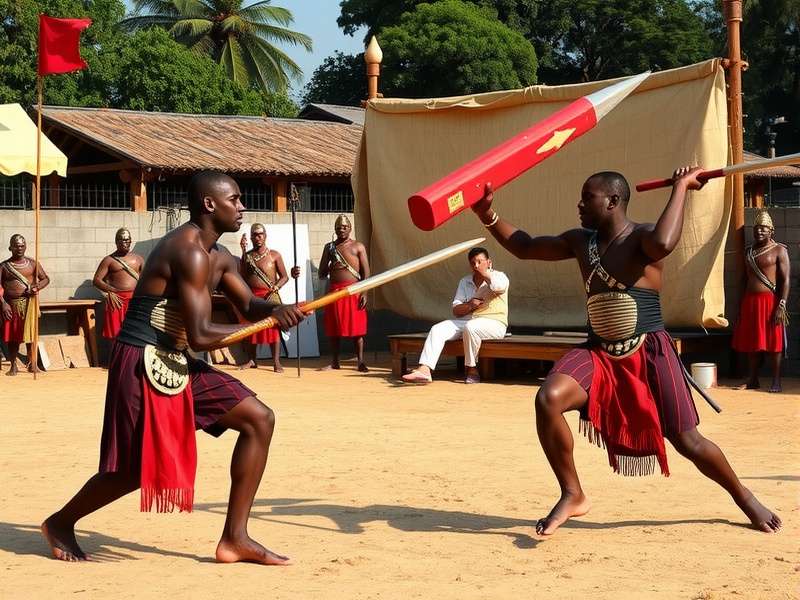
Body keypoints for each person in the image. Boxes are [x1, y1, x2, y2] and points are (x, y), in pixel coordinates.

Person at [471, 168, 781, 535]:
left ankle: (744, 496)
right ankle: (572, 493)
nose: (579, 205)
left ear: (613, 201)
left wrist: (681, 187)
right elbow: (525, 246)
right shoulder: (579, 242)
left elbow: (665, 243)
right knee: (548, 399)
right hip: (598, 354)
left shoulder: (642, 238)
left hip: (649, 351)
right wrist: (487, 214)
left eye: (588, 198)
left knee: (688, 441)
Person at [42, 171, 307, 564]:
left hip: (174, 357)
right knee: (134, 468)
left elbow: (249, 304)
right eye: (234, 199)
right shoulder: (188, 251)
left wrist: (278, 309)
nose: (242, 207)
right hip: (140, 359)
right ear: (209, 204)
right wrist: (267, 322)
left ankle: (235, 538)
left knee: (259, 419)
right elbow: (201, 335)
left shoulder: (221, 256)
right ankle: (60, 522)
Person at [402, 247, 509, 384]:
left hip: (494, 322)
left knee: (471, 327)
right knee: (438, 329)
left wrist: (485, 274)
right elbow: (456, 310)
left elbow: (498, 287)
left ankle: (471, 369)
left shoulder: (500, 276)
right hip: (468, 321)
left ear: (489, 262)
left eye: (480, 262)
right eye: (473, 263)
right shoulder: (465, 281)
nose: (476, 266)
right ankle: (425, 370)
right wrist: (470, 305)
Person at [731, 210, 790, 392]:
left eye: (763, 228)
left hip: (771, 302)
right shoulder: (749, 252)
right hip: (750, 302)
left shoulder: (780, 250)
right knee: (753, 341)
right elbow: (743, 280)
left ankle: (776, 380)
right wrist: (740, 305)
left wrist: (782, 304)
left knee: (774, 341)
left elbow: (786, 279)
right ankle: (753, 379)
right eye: (756, 228)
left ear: (771, 231)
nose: (759, 231)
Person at [238, 223, 298, 372]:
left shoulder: (274, 255)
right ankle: (252, 360)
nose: (257, 237)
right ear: (251, 238)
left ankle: (276, 361)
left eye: (260, 234)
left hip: (270, 296)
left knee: (273, 328)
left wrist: (276, 286)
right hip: (253, 297)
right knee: (252, 329)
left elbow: (284, 277)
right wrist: (243, 251)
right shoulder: (248, 256)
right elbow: (242, 275)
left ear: (265, 236)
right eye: (254, 235)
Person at [317, 214, 371, 372]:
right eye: (338, 228)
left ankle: (360, 361)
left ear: (350, 228)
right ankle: (335, 361)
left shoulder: (358, 246)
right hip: (334, 291)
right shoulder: (329, 247)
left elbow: (366, 272)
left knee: (357, 329)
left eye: (344, 227)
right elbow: (321, 272)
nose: (341, 230)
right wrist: (330, 260)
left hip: (354, 291)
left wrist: (364, 292)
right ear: (335, 229)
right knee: (333, 328)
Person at [0, 234, 50, 375]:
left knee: (31, 335)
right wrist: (3, 304)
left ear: (26, 247)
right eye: (16, 246)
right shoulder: (4, 266)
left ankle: (32, 363)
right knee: (13, 337)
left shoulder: (33, 263)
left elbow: (46, 279)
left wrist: (37, 287)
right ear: (10, 248)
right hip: (11, 305)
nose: (20, 248)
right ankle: (13, 365)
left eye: (22, 246)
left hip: (29, 304)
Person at [93, 228, 144, 341]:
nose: (125, 243)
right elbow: (96, 280)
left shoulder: (138, 259)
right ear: (116, 242)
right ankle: (115, 352)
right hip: (117, 300)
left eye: (127, 240)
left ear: (131, 241)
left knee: (135, 331)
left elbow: (145, 279)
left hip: (135, 299)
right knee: (115, 332)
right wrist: (111, 290)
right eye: (122, 240)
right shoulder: (109, 260)